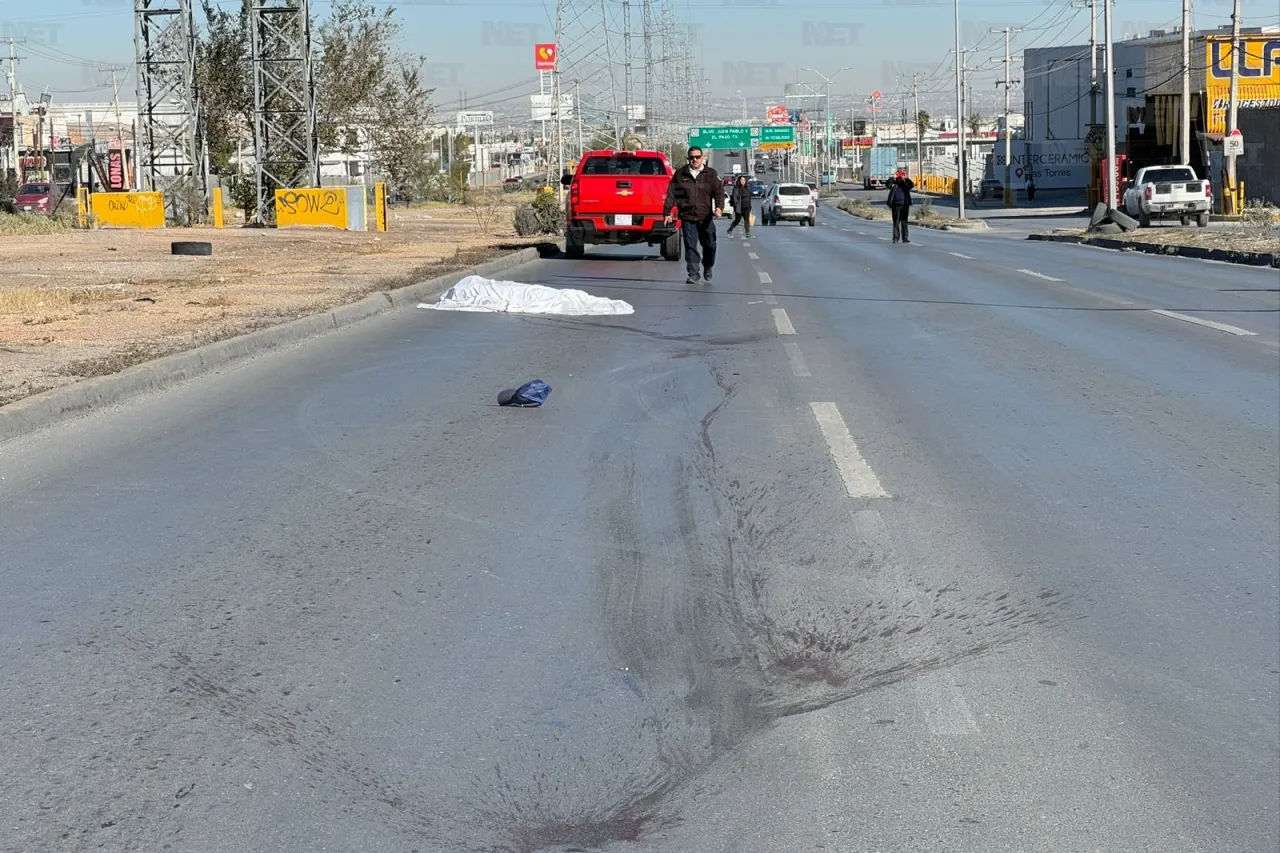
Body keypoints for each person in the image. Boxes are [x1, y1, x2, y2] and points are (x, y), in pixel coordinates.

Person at [663, 146, 725, 284]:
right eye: (692, 157)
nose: (695, 160)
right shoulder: (680, 174)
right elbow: (672, 195)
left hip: (706, 218)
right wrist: (667, 212)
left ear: (702, 158)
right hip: (688, 217)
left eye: (697, 157)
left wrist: (719, 208)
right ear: (688, 159)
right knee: (690, 246)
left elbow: (719, 193)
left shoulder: (711, 174)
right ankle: (693, 273)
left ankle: (708, 266)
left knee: (710, 244)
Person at [886, 170, 914, 244]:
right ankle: (895, 238)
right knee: (896, 222)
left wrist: (906, 178)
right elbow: (887, 184)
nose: (899, 178)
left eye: (900, 176)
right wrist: (893, 178)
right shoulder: (894, 185)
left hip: (905, 205)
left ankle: (905, 238)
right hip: (895, 206)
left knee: (904, 222)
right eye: (898, 176)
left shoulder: (905, 184)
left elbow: (912, 185)